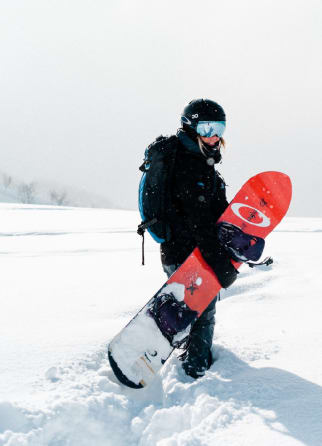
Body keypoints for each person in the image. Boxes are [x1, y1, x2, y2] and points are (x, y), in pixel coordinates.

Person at [143, 99, 238, 379]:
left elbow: (212, 212)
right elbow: (199, 222)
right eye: (206, 127)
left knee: (191, 309)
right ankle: (196, 372)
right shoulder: (188, 165)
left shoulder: (199, 161)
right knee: (203, 312)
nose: (214, 135)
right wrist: (220, 263)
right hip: (186, 252)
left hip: (186, 252)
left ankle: (188, 353)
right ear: (191, 127)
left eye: (219, 128)